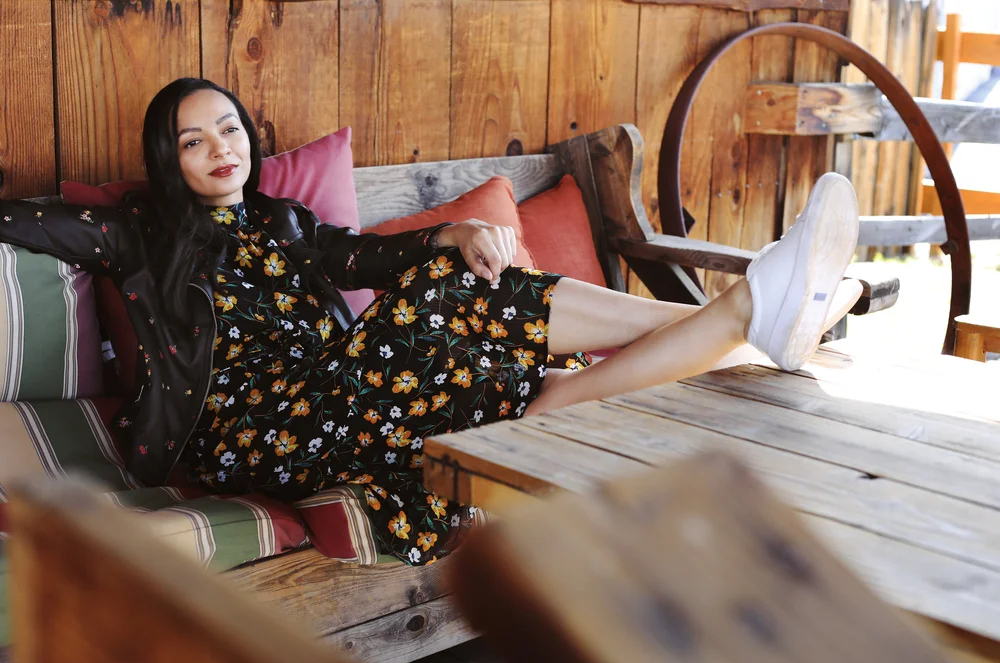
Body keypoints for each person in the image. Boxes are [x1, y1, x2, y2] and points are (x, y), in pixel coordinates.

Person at [0, 78, 862, 564]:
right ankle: (750, 308)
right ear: (170, 159)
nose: (221, 147)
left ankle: (748, 314)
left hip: (343, 397)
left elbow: (364, 260)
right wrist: (447, 248)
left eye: (228, 128)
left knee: (515, 388)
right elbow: (26, 221)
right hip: (251, 435)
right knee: (458, 295)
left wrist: (448, 231)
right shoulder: (140, 234)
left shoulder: (283, 222)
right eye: (194, 141)